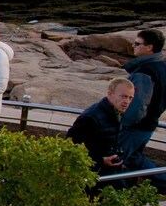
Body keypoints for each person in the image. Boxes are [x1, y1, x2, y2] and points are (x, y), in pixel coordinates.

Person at [67, 78, 134, 180]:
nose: (127, 102)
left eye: (130, 98)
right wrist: (101, 160)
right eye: (123, 97)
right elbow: (71, 145)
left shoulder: (117, 113)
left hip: (105, 170)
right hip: (89, 174)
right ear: (110, 94)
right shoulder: (91, 117)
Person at [118, 29, 166, 167]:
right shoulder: (161, 66)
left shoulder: (145, 72)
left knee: (116, 161)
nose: (133, 46)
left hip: (135, 128)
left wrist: (123, 124)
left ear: (149, 47)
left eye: (137, 43)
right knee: (133, 159)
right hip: (148, 125)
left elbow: (137, 105)